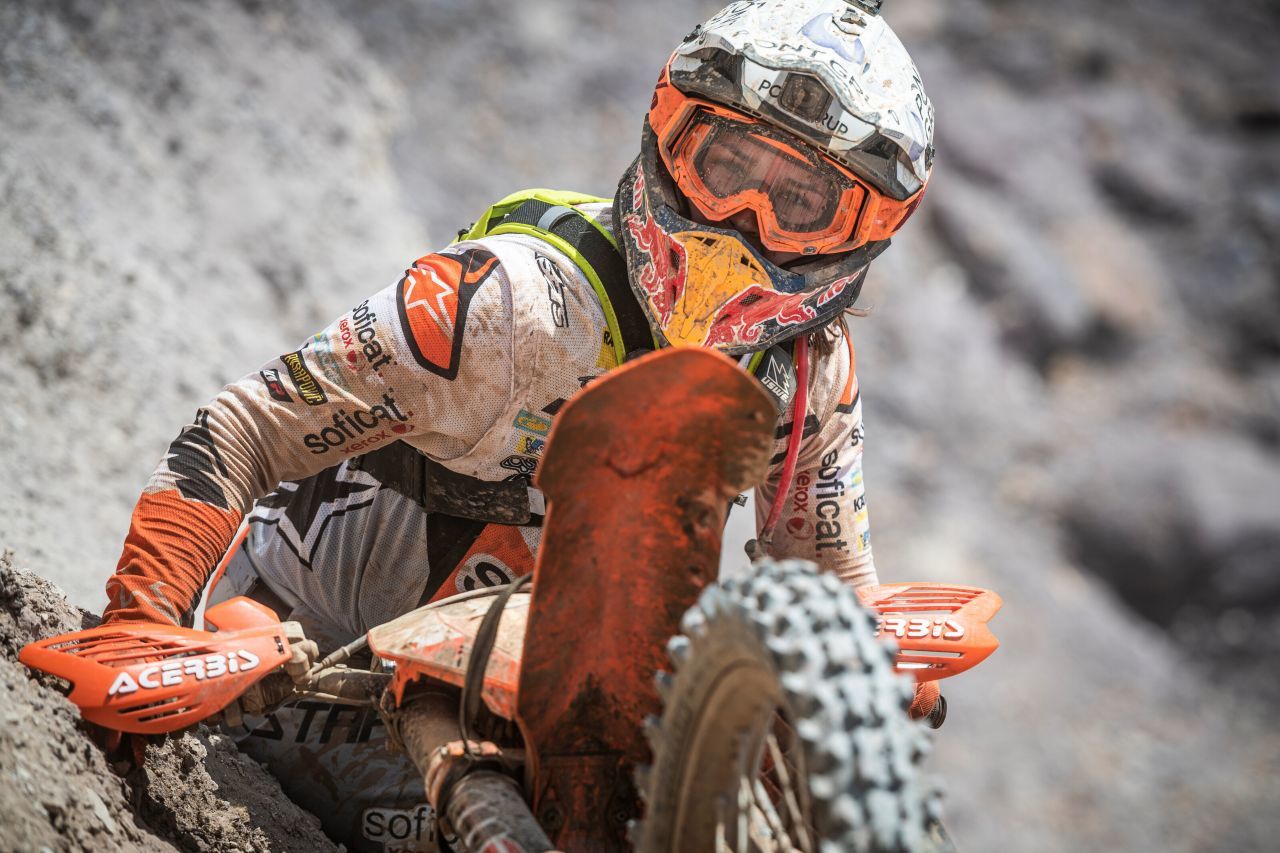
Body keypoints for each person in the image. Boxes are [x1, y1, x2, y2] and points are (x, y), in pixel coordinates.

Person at [100, 0, 935, 846]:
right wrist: (145, 612)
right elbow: (247, 423)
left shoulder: (804, 373)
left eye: (800, 202)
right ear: (669, 134)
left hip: (543, 714)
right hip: (297, 699)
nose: (745, 220)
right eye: (727, 166)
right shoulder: (508, 301)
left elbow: (834, 592)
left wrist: (871, 686)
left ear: (863, 234)